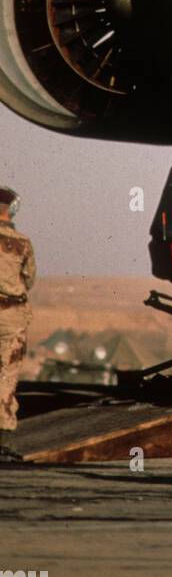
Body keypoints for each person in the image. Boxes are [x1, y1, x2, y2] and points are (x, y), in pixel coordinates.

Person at [0, 187, 35, 465]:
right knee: (7, 373)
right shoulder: (22, 243)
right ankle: (3, 438)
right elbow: (29, 279)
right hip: (11, 313)